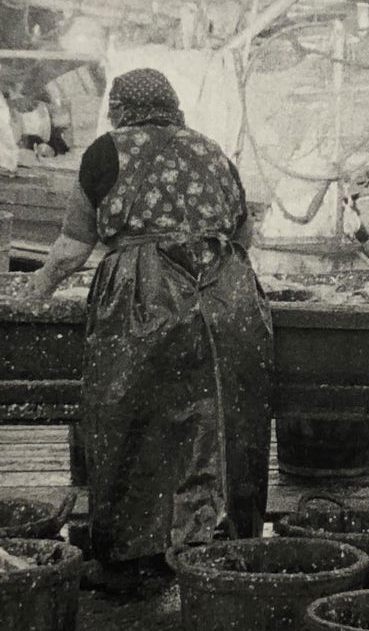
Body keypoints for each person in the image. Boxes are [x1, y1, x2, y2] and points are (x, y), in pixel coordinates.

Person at [22, 68, 271, 595]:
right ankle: (224, 552)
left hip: (144, 294)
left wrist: (34, 290)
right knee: (223, 421)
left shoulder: (105, 152)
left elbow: (73, 245)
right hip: (226, 291)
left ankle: (133, 560)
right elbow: (244, 233)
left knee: (129, 418)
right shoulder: (211, 149)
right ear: (173, 104)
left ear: (118, 107)